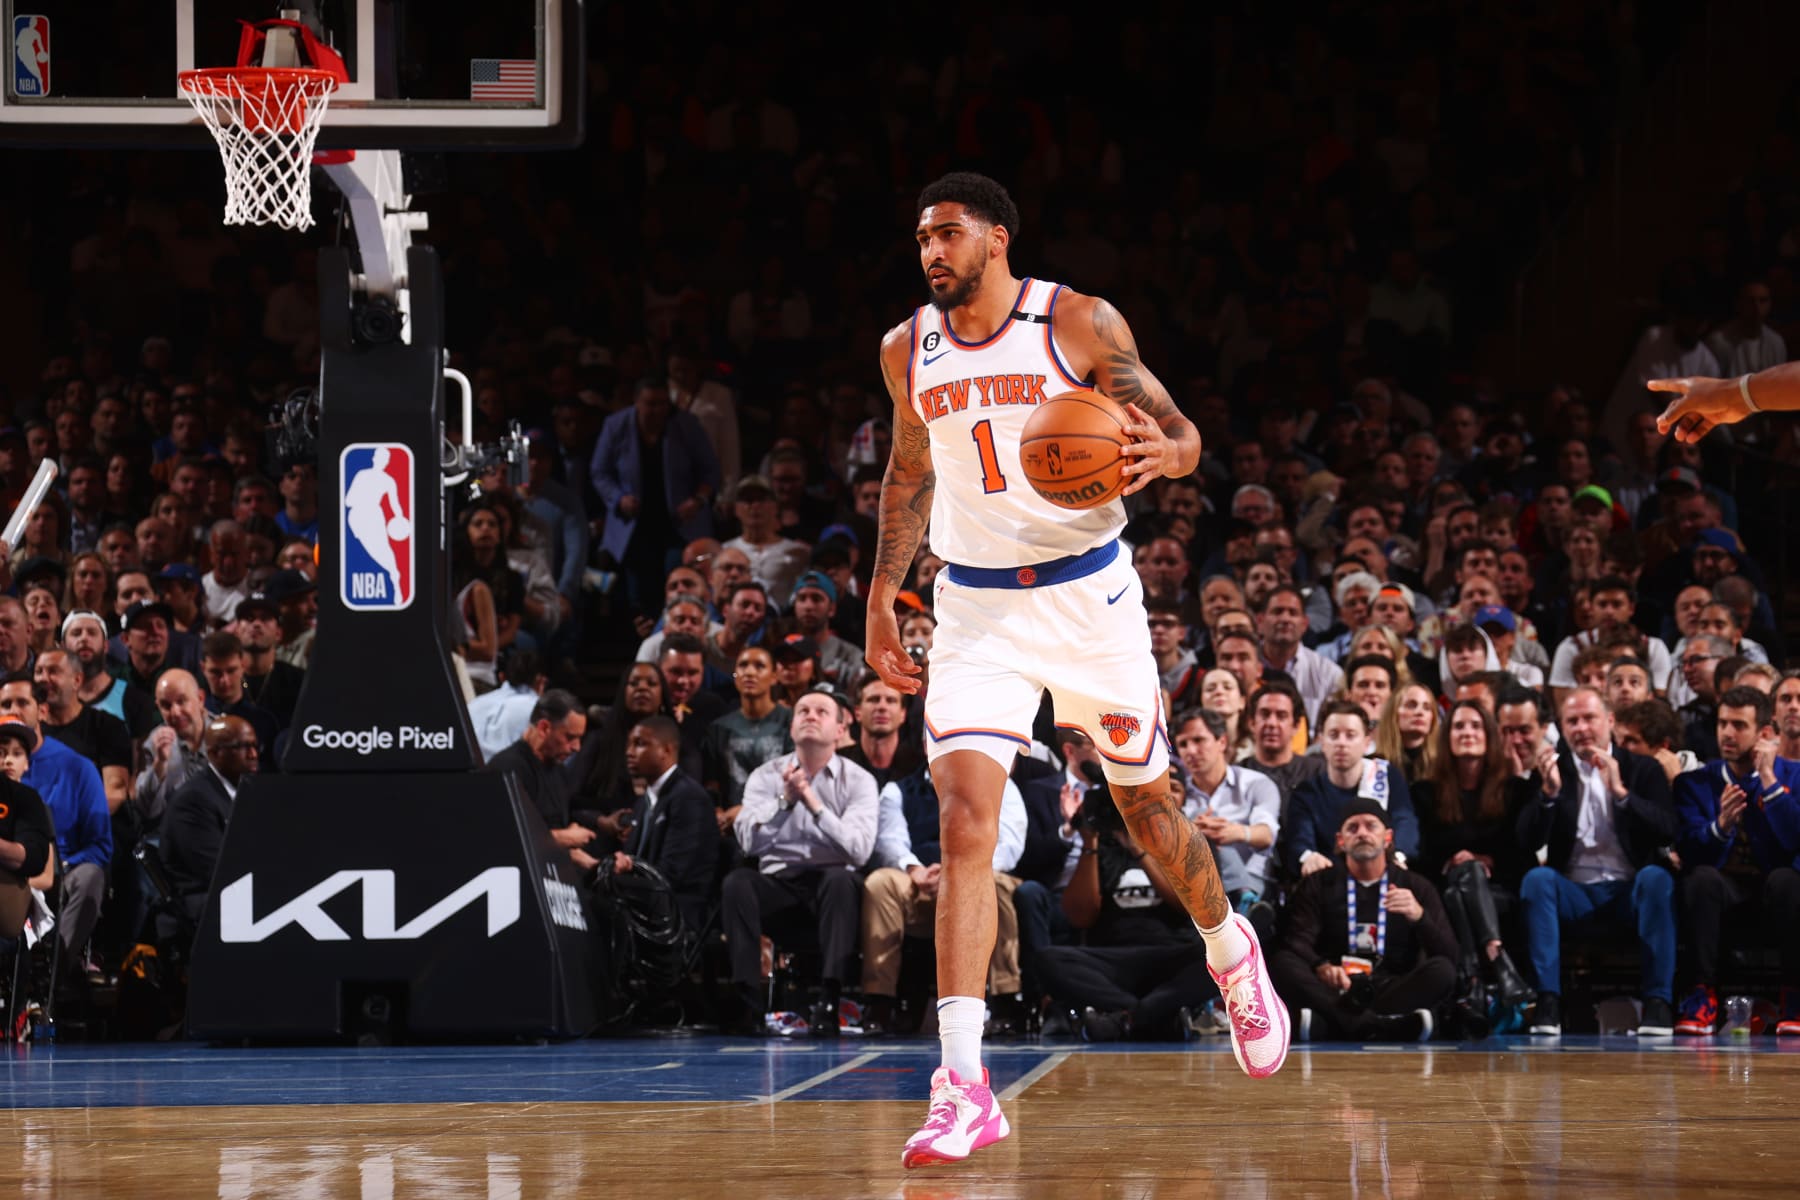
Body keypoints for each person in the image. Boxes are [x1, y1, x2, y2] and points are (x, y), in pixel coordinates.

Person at [864, 173, 1286, 1167]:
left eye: (949, 234)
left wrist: (1159, 459)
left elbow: (1182, 435)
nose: (931, 252)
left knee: (1147, 813)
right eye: (922, 237)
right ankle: (962, 1083)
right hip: (973, 607)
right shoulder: (904, 349)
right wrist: (883, 592)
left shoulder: (1081, 324)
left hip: (1089, 598)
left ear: (997, 238)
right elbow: (909, 470)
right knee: (965, 825)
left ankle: (1232, 954)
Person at [1517, 688, 1678, 1036]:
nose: (1581, 728)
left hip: (1629, 891)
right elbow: (1526, 842)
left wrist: (1622, 794)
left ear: (1609, 721)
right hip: (1575, 891)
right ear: (1561, 727)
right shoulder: (1550, 770)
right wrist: (1548, 796)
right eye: (1572, 721)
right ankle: (1548, 1001)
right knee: (1537, 881)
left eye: (1589, 718)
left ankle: (1658, 1003)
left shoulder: (1641, 768)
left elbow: (1667, 831)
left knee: (1657, 878)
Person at [722, 686, 878, 1036]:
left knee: (841, 881)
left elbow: (859, 851)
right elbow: (748, 842)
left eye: (822, 711)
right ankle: (748, 1002)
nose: (810, 715)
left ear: (840, 730)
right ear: (791, 729)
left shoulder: (859, 781)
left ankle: (829, 1000)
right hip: (778, 886)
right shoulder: (766, 777)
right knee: (737, 883)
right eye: (803, 710)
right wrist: (785, 802)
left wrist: (814, 804)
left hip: (831, 891)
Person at [860, 761, 1027, 1037]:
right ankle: (879, 1003)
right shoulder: (898, 790)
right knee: (881, 883)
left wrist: (958, 874)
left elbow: (1010, 847)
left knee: (997, 885)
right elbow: (891, 840)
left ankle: (1005, 1002)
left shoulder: (1000, 784)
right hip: (922, 881)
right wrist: (914, 869)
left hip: (978, 876)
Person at [1268, 799, 1456, 1042]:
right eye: (1353, 828)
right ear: (1340, 840)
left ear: (1387, 837)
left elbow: (1449, 954)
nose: (1362, 833)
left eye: (1371, 826)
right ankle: (1380, 1026)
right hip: (1336, 986)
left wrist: (1420, 917)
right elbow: (1298, 940)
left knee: (1442, 971)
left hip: (1390, 986)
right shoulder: (1318, 883)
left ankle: (1333, 1025)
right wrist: (1321, 966)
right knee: (1282, 963)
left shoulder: (1415, 886)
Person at [1670, 687, 1800, 1035]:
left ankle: (1794, 995)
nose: (1727, 733)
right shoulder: (1693, 783)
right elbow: (1689, 851)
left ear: (1764, 733)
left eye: (1739, 725)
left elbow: (1794, 843)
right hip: (1724, 891)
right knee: (1700, 879)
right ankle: (1701, 994)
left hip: (1775, 887)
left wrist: (1770, 785)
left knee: (1790, 879)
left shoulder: (1793, 776)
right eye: (1723, 723)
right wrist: (1721, 826)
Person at [0, 673, 110, 977]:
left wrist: (61, 863)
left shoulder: (78, 767)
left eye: (23, 702)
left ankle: (51, 968)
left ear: (42, 711)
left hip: (58, 870)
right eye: (5, 703)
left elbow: (100, 846)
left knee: (90, 877)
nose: (14, 708)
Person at [1283, 701, 1421, 877]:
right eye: (1334, 735)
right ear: (1322, 742)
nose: (1341, 743)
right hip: (1330, 882)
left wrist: (1399, 856)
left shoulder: (1386, 777)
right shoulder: (1307, 792)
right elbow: (1298, 838)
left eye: (1350, 735)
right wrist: (1308, 857)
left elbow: (1405, 821)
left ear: (1366, 742)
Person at [614, 715, 717, 937]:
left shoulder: (689, 797)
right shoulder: (645, 800)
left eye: (640, 744)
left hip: (677, 910)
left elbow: (673, 874)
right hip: (648, 900)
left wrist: (623, 873)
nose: (629, 752)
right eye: (630, 743)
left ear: (667, 751)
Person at [161, 715, 259, 924]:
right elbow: (214, 871)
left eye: (255, 746)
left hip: (234, 893)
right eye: (242, 747)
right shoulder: (193, 800)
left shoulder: (243, 792)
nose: (253, 754)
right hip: (203, 905)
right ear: (214, 753)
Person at [481, 689, 591, 869]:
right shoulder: (506, 768)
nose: (577, 747)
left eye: (580, 739)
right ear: (544, 728)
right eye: (570, 737)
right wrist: (560, 838)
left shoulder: (559, 771)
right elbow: (497, 836)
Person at [35, 648, 132, 814]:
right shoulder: (29, 731)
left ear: (77, 680)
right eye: (38, 672)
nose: (43, 678)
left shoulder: (107, 725)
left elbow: (115, 791)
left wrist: (79, 825)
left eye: (53, 671)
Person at [0, 713, 56, 939]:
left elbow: (45, 874)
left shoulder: (31, 802)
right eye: (1, 752)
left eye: (16, 754)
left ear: (27, 764)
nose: (7, 760)